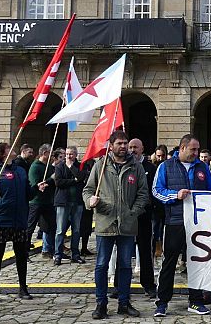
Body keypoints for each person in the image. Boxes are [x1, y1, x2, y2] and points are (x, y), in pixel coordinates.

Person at [83, 129, 149, 319]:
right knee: (101, 265)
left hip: (127, 224)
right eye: (119, 143)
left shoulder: (135, 166)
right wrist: (90, 201)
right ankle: (101, 303)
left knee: (125, 266)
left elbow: (143, 193)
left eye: (125, 143)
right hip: (105, 223)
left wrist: (133, 212)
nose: (123, 146)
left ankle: (124, 302)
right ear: (111, 146)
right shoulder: (101, 165)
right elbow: (87, 190)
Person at [152, 134, 211, 317]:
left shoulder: (202, 167)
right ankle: (162, 302)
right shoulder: (166, 166)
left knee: (196, 262)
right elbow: (156, 190)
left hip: (197, 223)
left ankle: (196, 300)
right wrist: (175, 195)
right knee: (169, 262)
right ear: (182, 148)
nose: (196, 153)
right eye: (193, 149)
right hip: (175, 221)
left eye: (197, 149)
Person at [0, 141, 47, 303]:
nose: (12, 149)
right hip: (2, 219)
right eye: (9, 148)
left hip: (20, 219)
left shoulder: (20, 170)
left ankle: (23, 287)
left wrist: (37, 188)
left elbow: (28, 193)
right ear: (1, 153)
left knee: (21, 255)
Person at [123, 138, 157, 298]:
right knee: (124, 251)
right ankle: (120, 285)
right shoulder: (125, 166)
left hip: (144, 215)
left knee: (145, 251)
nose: (132, 150)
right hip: (126, 216)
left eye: (135, 147)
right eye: (130, 147)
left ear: (142, 149)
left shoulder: (150, 168)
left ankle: (148, 284)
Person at [53, 145, 89, 265]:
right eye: (67, 154)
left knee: (76, 230)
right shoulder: (59, 166)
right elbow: (59, 182)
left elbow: (81, 177)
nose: (68, 156)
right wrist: (74, 181)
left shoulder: (81, 166)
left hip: (77, 202)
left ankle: (75, 254)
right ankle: (57, 254)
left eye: (71, 154)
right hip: (63, 201)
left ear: (75, 155)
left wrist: (71, 167)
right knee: (60, 230)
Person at [27, 144, 57, 259]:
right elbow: (36, 184)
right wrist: (51, 179)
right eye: (51, 153)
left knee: (51, 226)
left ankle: (49, 249)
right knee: (30, 227)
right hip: (36, 202)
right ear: (45, 153)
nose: (52, 156)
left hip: (48, 201)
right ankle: (25, 251)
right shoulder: (35, 167)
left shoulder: (49, 166)